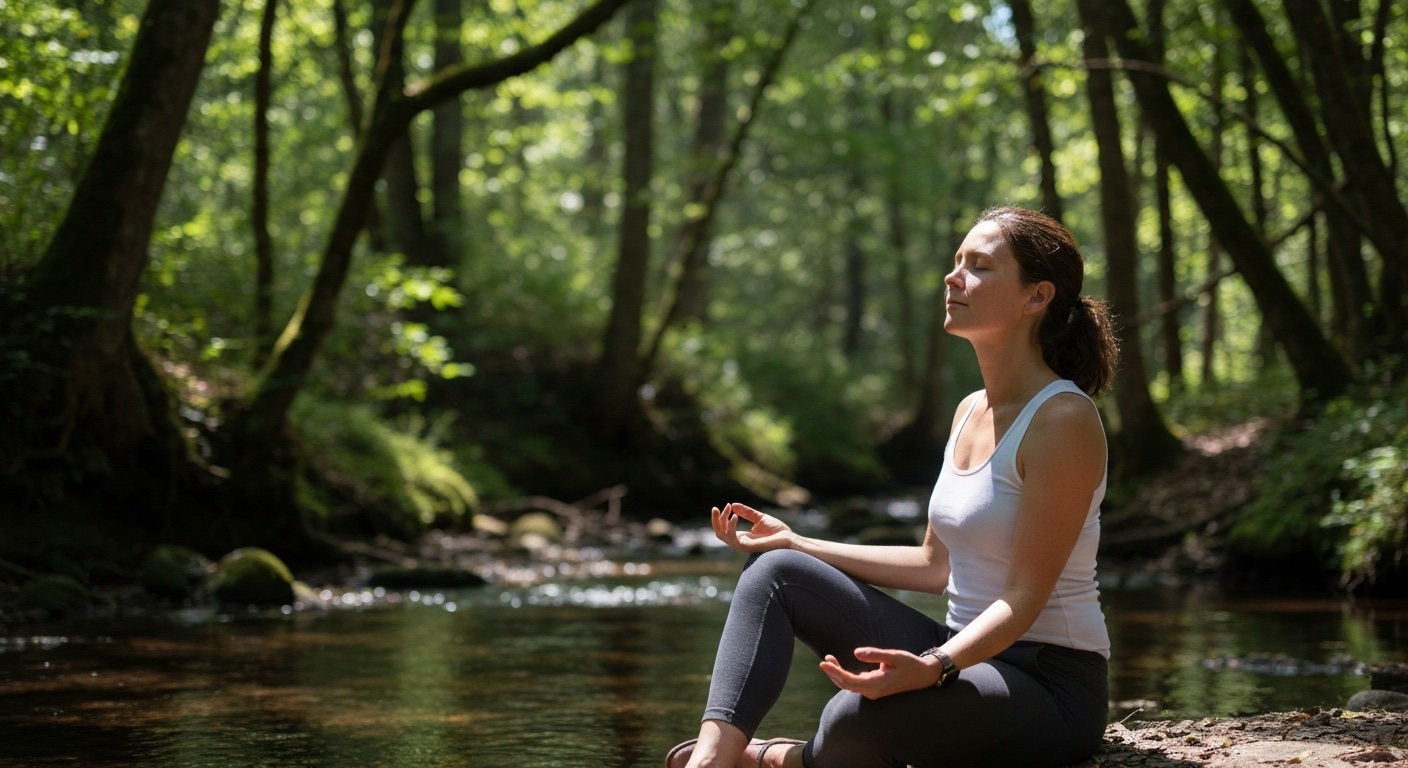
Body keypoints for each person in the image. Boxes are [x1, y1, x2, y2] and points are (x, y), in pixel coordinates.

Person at [664, 206, 1119, 768]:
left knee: (850, 716)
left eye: (979, 266)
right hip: (962, 654)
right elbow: (933, 566)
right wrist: (798, 542)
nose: (953, 277)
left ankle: (779, 759)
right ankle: (714, 759)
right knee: (775, 573)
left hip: (1048, 683)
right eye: (956, 261)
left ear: (1036, 297)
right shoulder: (969, 411)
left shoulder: (1062, 420)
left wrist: (935, 666)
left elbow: (1024, 596)